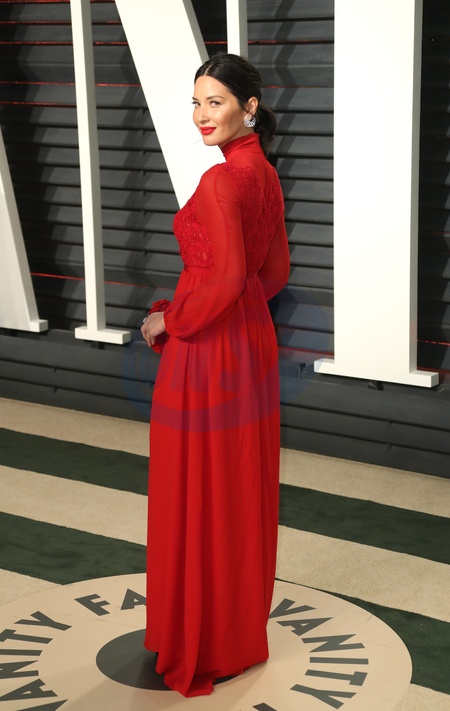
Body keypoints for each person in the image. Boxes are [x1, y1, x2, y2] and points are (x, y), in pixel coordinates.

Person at [141, 52, 290, 697]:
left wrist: (171, 320)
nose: (202, 116)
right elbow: (273, 273)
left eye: (216, 102)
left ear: (248, 107)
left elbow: (226, 277)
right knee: (236, 484)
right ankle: (233, 634)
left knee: (198, 485)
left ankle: (200, 639)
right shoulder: (265, 174)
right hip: (249, 340)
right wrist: (241, 311)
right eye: (196, 103)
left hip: (206, 346)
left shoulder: (222, 180)